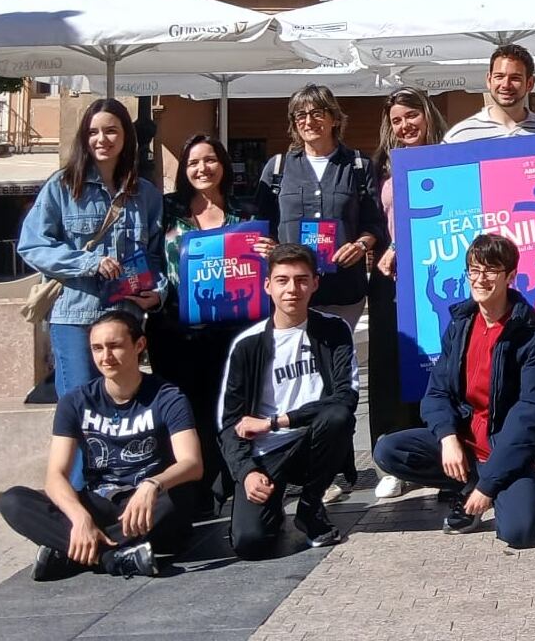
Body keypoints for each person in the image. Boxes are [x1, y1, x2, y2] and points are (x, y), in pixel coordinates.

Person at [443, 43, 535, 492]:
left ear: (530, 84)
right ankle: (479, 450)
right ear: (488, 80)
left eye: (516, 77)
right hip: (485, 273)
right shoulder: (460, 136)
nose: (507, 84)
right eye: (499, 76)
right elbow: (449, 203)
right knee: (482, 360)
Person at [372, 234, 535, 548]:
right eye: (474, 270)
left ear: (510, 276)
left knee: (520, 533)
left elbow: (530, 416)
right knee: (389, 450)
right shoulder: (460, 323)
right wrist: (448, 438)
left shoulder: (533, 333)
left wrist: (489, 484)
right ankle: (465, 485)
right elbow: (437, 392)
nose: (480, 279)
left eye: (490, 271)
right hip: (465, 440)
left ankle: (491, 488)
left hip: (503, 447)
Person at [0, 310, 202, 580]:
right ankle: (115, 557)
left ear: (139, 345)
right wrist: (80, 517)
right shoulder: (76, 401)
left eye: (115, 346)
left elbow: (192, 464)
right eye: (97, 348)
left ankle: (73, 553)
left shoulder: (168, 397)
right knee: (13, 501)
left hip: (146, 504)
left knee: (180, 497)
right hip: (100, 502)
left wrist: (152, 485)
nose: (105, 357)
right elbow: (55, 476)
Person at [146, 134, 272, 512]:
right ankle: (192, 490)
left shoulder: (246, 212)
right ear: (184, 170)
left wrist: (270, 251)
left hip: (233, 333)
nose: (202, 169)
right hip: (174, 332)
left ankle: (233, 482)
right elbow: (151, 262)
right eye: (193, 162)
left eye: (210, 160)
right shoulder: (168, 211)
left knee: (229, 408)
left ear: (222, 164)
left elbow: (264, 271)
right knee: (185, 410)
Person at [18, 99, 165, 405]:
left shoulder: (146, 194)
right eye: (93, 132)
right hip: (75, 315)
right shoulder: (63, 186)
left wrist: (158, 292)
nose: (102, 139)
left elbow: (155, 257)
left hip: (126, 316)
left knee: (121, 408)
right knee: (81, 408)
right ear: (84, 138)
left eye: (111, 131)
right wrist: (88, 262)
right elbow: (32, 245)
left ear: (126, 136)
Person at [218, 244, 359, 557]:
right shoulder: (247, 344)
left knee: (337, 417)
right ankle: (274, 504)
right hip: (267, 451)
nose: (292, 289)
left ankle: (310, 506)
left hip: (313, 442)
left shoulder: (334, 330)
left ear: (315, 283)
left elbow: (345, 398)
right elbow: (230, 423)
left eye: (301, 280)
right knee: (250, 542)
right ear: (267, 286)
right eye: (282, 280)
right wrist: (246, 471)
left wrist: (277, 421)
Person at [253, 84, 386, 333]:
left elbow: (374, 223)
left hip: (344, 290)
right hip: (292, 291)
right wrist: (265, 244)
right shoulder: (277, 167)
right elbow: (260, 224)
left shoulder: (358, 165)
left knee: (336, 365)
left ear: (334, 118)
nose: (308, 121)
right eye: (300, 115)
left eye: (317, 113)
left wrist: (360, 246)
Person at [370, 86, 449, 500]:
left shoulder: (450, 153)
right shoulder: (382, 164)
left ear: (427, 115)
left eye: (410, 116)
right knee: (394, 368)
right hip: (395, 281)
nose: (405, 126)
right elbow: (377, 222)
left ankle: (441, 457)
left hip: (438, 272)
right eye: (397, 121)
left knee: (438, 369)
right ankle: (395, 460)